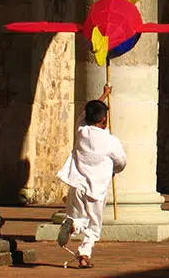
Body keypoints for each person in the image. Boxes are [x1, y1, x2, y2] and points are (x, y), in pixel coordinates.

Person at [56, 85, 126, 269]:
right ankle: (84, 254)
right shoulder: (111, 142)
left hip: (77, 185)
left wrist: (103, 94)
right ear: (104, 120)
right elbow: (121, 162)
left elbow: (86, 113)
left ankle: (72, 225)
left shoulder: (81, 131)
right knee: (94, 227)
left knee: (78, 216)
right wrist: (114, 170)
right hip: (97, 190)